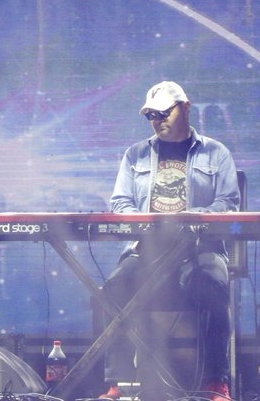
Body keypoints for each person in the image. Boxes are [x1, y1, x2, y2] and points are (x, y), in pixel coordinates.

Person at [99, 81, 240, 401]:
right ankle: (117, 382)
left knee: (212, 284)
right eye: (151, 115)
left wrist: (190, 218)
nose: (157, 120)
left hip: (200, 249)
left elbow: (228, 203)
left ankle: (216, 381)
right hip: (145, 250)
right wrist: (146, 224)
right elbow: (120, 203)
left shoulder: (216, 153)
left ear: (186, 108)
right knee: (115, 288)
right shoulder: (134, 155)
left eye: (164, 113)